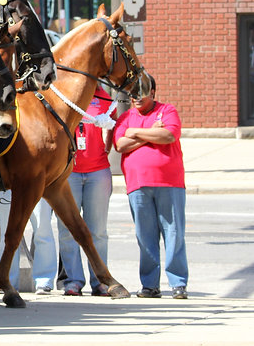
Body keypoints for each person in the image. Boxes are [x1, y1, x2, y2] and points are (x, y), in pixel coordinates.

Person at [114, 76, 188, 300]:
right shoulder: (126, 116)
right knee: (145, 237)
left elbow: (168, 135)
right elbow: (119, 145)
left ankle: (178, 284)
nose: (136, 97)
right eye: (133, 93)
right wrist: (148, 134)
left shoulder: (167, 111)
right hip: (137, 184)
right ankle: (150, 285)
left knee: (173, 233)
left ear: (153, 92)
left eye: (142, 92)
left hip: (169, 182)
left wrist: (135, 133)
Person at [57, 86, 115, 296]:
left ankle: (100, 280)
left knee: (97, 231)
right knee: (67, 230)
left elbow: (114, 125)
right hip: (69, 171)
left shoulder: (103, 96)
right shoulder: (67, 92)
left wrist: (106, 148)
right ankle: (73, 281)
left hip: (97, 171)